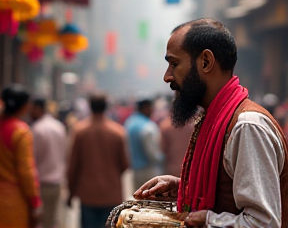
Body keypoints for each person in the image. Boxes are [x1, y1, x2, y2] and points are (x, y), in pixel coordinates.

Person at [131, 18, 288, 228]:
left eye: (174, 64)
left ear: (205, 62)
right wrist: (183, 188)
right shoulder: (214, 117)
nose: (167, 76)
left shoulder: (247, 127)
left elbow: (263, 223)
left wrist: (207, 221)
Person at [67, 93, 129, 228]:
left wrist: (70, 193)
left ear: (90, 107)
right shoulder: (118, 132)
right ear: (106, 107)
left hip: (88, 195)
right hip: (111, 193)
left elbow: (73, 166)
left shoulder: (80, 131)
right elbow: (125, 164)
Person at [0, 84, 42, 228]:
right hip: (12, 202)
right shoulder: (20, 131)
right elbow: (26, 172)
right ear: (24, 106)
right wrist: (35, 201)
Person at [30, 98, 67, 228]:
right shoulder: (58, 126)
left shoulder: (36, 129)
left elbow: (32, 158)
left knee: (41, 221)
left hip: (41, 183)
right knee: (53, 220)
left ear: (38, 109)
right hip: (57, 182)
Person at [125, 98, 164, 191]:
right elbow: (154, 155)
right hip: (149, 171)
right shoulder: (148, 127)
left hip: (135, 171)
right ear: (146, 107)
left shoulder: (130, 123)